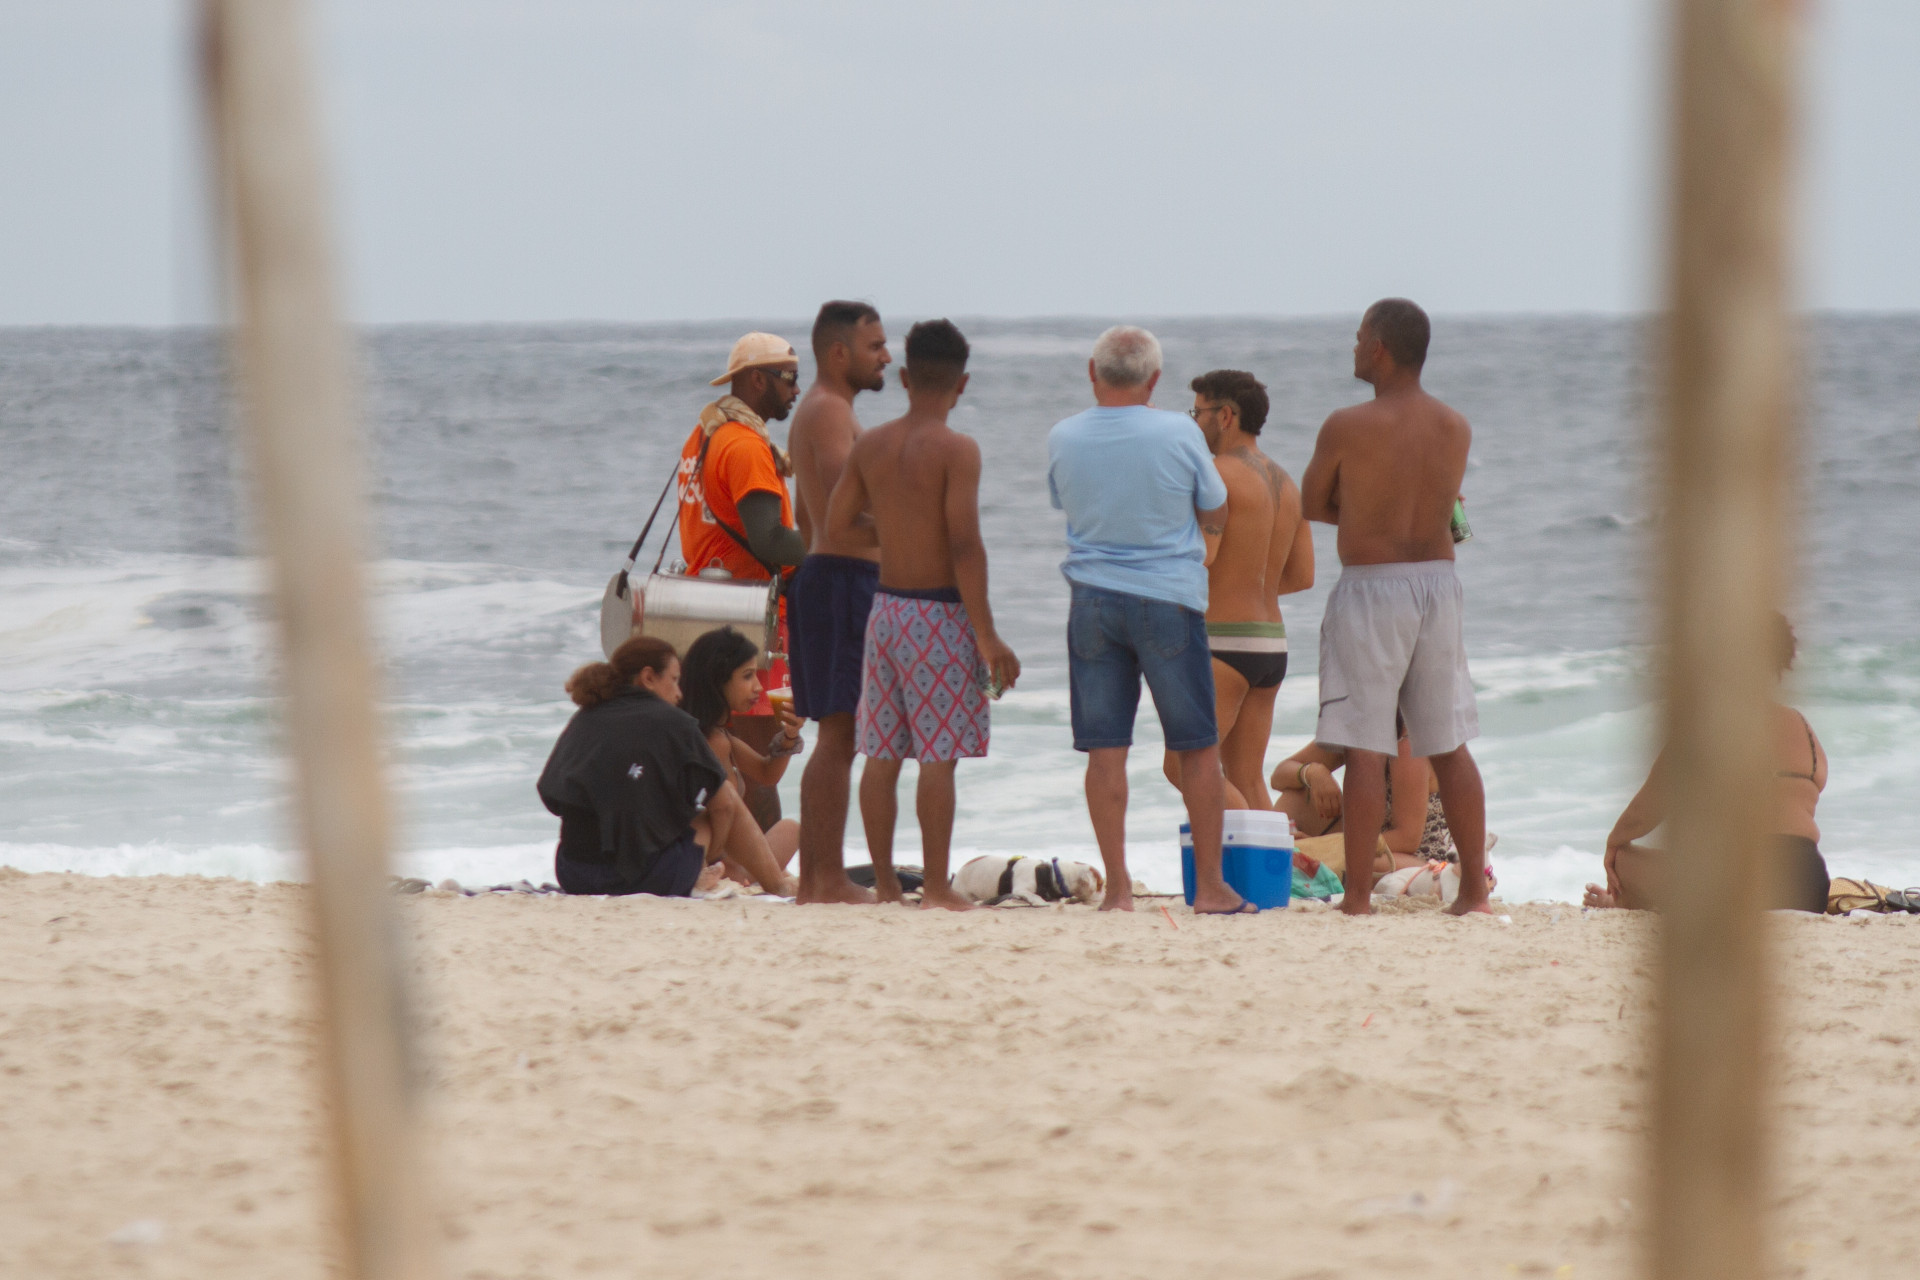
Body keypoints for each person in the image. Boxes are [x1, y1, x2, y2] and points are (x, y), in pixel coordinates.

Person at [1300, 298, 1491, 916]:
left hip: (1373, 584)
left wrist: (1361, 515)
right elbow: (1447, 511)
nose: (1354, 348)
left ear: (1379, 348)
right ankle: (1475, 895)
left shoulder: (1346, 426)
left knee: (1364, 745)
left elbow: (1311, 501)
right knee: (1449, 744)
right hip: (1438, 582)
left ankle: (1356, 897)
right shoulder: (1454, 425)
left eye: (1359, 339)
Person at [1046, 326, 1246, 915]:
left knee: (1105, 751)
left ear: (1092, 371)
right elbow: (1215, 504)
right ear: (1155, 380)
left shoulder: (1064, 435)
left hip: (1091, 600)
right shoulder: (1179, 431)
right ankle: (1209, 886)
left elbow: (1066, 501)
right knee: (1198, 747)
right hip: (1167, 598)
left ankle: (1120, 890)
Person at [824, 319, 1020, 912]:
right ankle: (935, 888)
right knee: (939, 756)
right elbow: (965, 543)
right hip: (938, 614)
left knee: (882, 752)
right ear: (962, 384)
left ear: (905, 376)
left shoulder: (871, 444)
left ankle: (886, 884)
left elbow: (836, 525)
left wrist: (896, 527)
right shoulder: (958, 450)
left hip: (885, 610)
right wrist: (987, 637)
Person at [1584, 613, 1831, 913]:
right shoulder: (1805, 731)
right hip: (1810, 883)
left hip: (1747, 880)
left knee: (1627, 860)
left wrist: (1613, 844)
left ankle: (1622, 902)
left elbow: (1647, 809)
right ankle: (1627, 903)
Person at [1163, 370, 1314, 810]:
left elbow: (1199, 556)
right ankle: (1275, 875)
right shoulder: (1288, 483)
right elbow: (1302, 576)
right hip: (1270, 646)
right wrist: (1249, 582)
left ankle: (1257, 859)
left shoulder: (1215, 477)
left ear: (1225, 415)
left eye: (1198, 412)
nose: (1193, 423)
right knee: (1247, 779)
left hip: (1222, 644)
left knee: (1183, 768)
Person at [676, 332, 808, 830]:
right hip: (749, 621)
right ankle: (762, 870)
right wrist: (834, 550)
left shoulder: (706, 433)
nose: (796, 390)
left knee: (726, 754)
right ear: (758, 380)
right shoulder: (746, 446)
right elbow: (771, 542)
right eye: (790, 378)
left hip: (708, 610)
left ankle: (744, 864)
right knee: (757, 757)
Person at [537, 636, 788, 897]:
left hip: (574, 874)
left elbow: (551, 796)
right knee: (710, 810)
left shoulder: (584, 718)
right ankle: (778, 886)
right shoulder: (674, 723)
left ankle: (702, 873)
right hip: (642, 878)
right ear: (648, 678)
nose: (680, 693)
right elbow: (724, 805)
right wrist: (713, 851)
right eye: (674, 680)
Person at [786, 301, 892, 904]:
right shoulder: (828, 411)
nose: (886, 356)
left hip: (832, 578)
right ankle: (823, 879)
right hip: (841, 582)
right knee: (839, 734)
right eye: (875, 346)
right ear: (839, 353)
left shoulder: (830, 412)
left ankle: (823, 876)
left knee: (841, 733)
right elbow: (836, 516)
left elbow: (807, 519)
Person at [681, 627, 804, 895]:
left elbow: (766, 772)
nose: (759, 687)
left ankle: (767, 876)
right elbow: (707, 816)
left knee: (791, 829)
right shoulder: (709, 742)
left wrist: (789, 735)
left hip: (727, 858)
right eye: (748, 676)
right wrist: (728, 862)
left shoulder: (719, 735)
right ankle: (768, 878)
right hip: (709, 858)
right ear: (717, 681)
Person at [1270, 725, 1459, 876]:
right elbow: (1279, 775)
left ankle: (1298, 862)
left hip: (1421, 857)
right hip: (1369, 836)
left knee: (1361, 866)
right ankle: (1284, 860)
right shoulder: (1357, 728)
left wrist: (1322, 847)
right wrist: (1313, 772)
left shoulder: (1406, 742)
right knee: (1293, 800)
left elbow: (1407, 839)